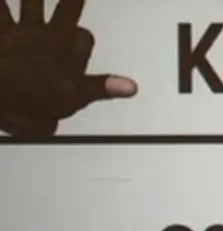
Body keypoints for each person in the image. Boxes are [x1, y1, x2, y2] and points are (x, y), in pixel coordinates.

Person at [0, 0, 137, 139]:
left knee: (72, 18)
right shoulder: (62, 103)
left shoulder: (63, 103)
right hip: (18, 44)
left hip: (48, 48)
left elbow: (127, 87)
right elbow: (126, 87)